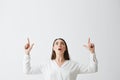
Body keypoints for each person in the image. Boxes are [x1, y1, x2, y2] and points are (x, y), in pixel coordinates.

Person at [23, 38, 98, 80]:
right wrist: (27, 54)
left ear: (65, 48)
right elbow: (27, 71)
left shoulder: (73, 65)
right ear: (53, 48)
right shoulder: (46, 65)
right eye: (57, 43)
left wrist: (92, 52)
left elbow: (93, 69)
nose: (59, 45)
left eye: (62, 43)